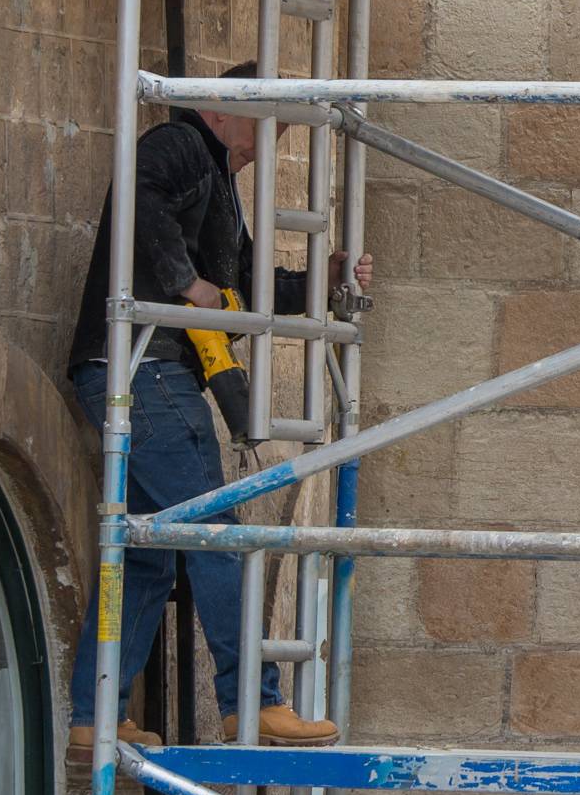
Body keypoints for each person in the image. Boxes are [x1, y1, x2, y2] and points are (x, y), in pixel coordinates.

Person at [66, 74, 373, 757]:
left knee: (147, 558)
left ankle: (95, 715)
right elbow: (138, 194)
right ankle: (252, 703)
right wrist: (185, 284)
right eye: (268, 123)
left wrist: (323, 279)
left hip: (134, 372)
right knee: (217, 532)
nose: (276, 140)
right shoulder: (180, 144)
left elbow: (250, 281)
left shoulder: (216, 183)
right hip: (145, 369)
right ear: (218, 111)